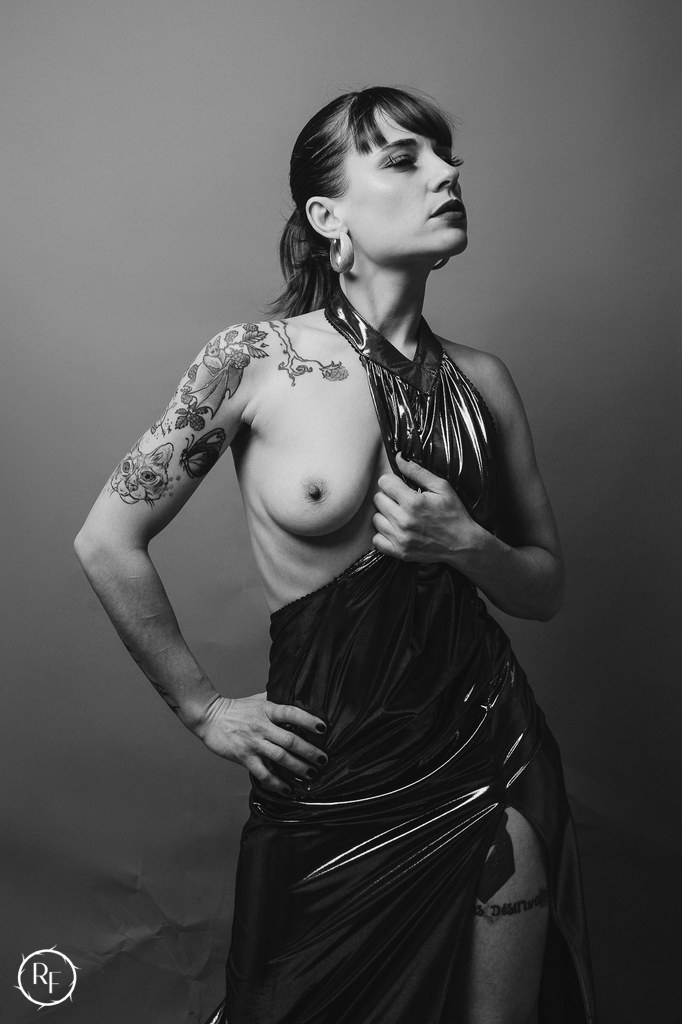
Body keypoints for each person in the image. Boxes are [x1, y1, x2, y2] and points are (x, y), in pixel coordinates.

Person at [75, 86, 597, 1024]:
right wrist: (203, 708)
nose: (446, 173)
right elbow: (107, 540)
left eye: (446, 157)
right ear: (328, 217)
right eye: (403, 159)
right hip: (327, 778)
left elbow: (546, 583)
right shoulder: (253, 359)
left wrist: (468, 545)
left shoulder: (484, 382)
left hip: (487, 755)